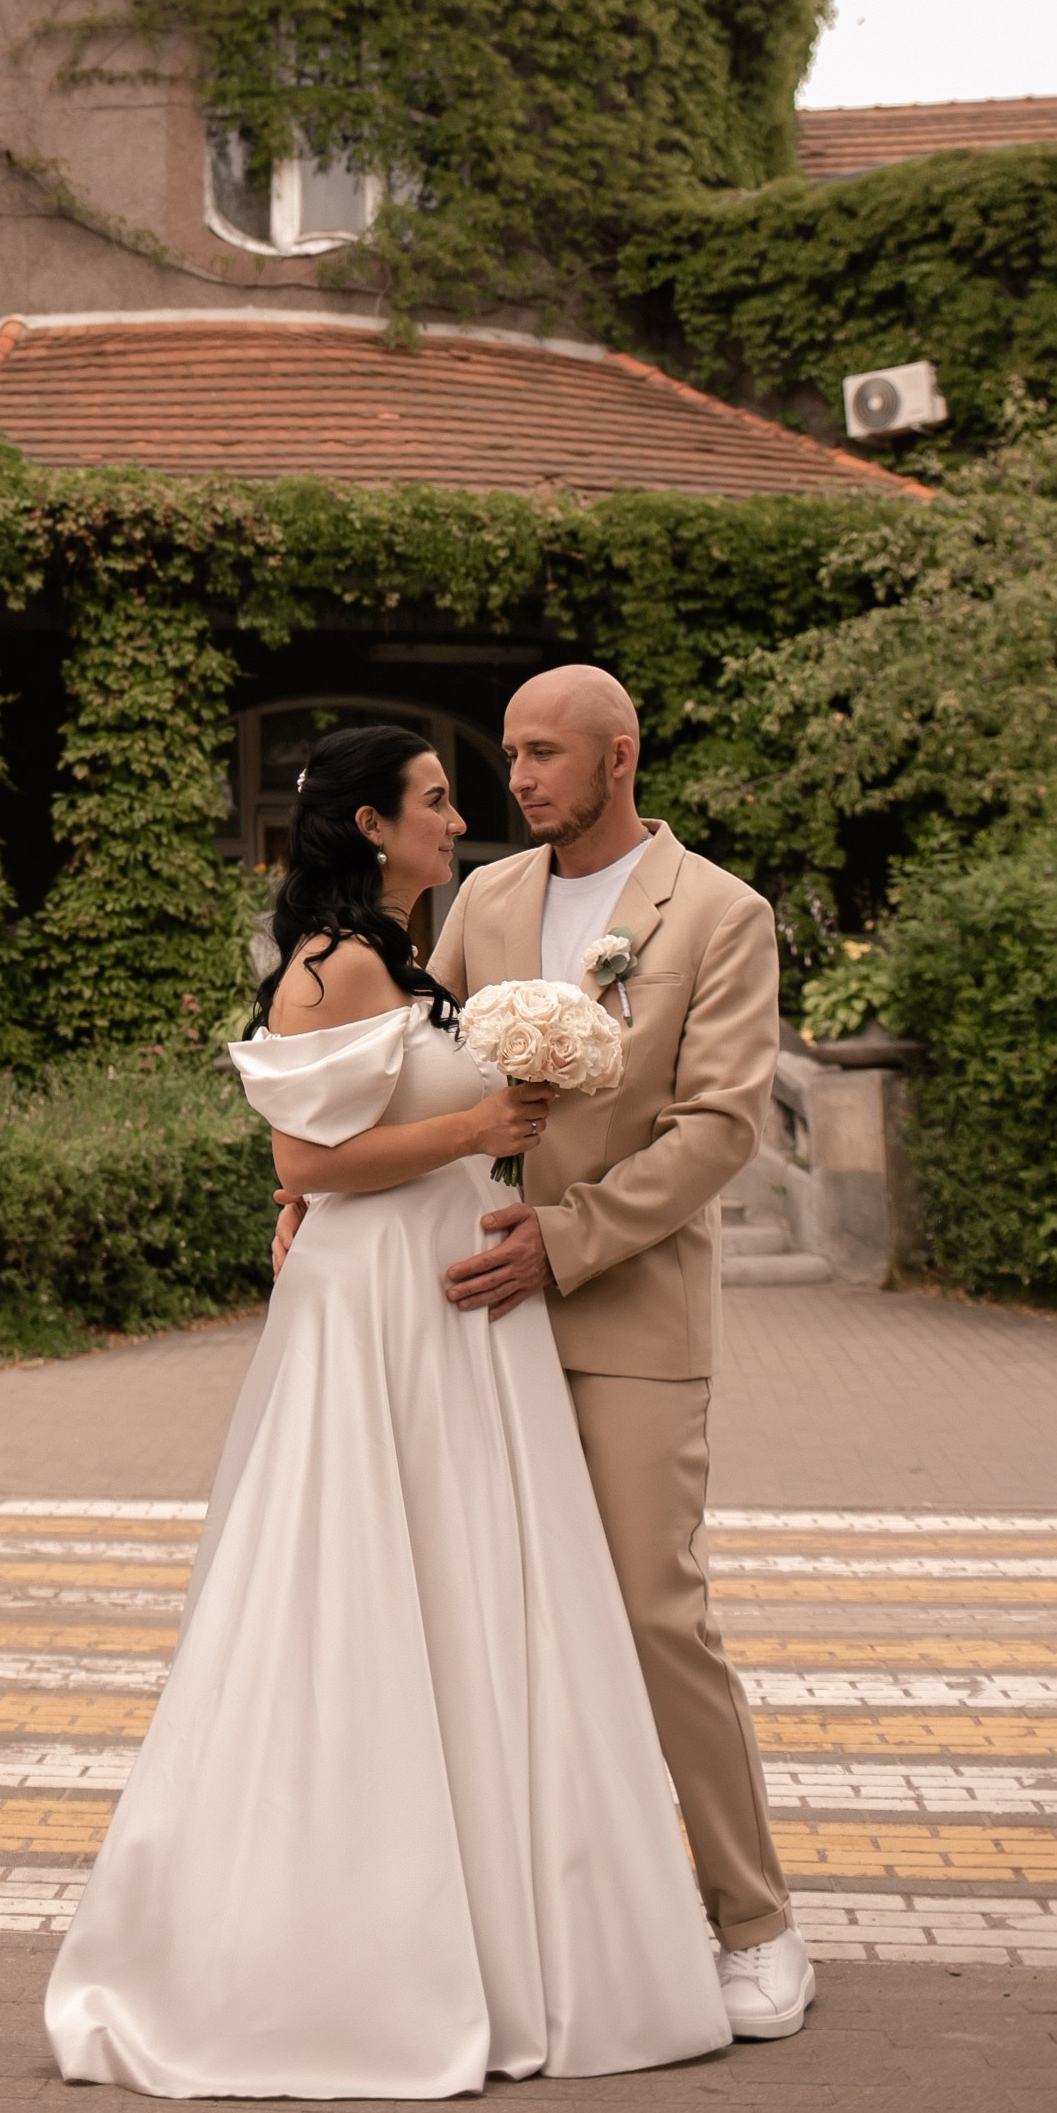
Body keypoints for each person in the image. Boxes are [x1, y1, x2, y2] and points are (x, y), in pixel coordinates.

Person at [44, 723, 731, 2101]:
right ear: (370, 826)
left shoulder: (411, 959)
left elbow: (351, 1131)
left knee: (472, 1605)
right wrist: (476, 1132)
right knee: (359, 1599)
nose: (461, 815)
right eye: (433, 799)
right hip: (375, 1321)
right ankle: (337, 1947)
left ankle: (498, 1927)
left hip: (450, 1307)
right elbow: (310, 1151)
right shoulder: (332, 963)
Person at [426, 663, 813, 2042]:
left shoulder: (717, 913)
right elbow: (431, 1066)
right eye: (512, 755)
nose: (518, 778)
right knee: (498, 1615)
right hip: (482, 1299)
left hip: (631, 1307)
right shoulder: (482, 903)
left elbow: (718, 1127)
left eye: (543, 753)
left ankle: (756, 1918)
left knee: (656, 1611)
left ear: (620, 754)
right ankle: (551, 1909)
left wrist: (569, 1235)